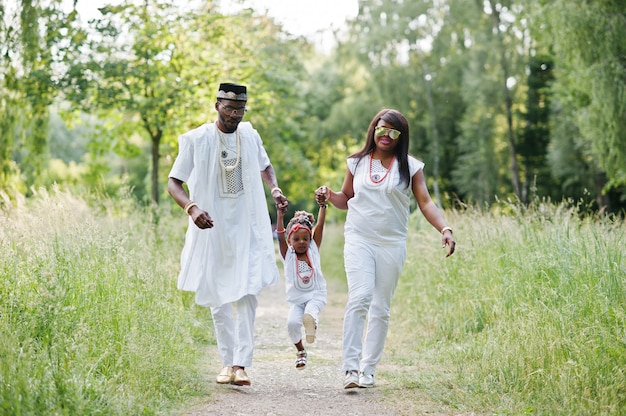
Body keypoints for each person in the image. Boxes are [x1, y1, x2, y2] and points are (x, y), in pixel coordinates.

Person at [315, 108, 456, 389]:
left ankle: (368, 369)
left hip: (392, 243)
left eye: (394, 131)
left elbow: (426, 202)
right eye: (382, 129)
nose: (386, 135)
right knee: (360, 297)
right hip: (359, 239)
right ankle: (351, 369)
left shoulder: (411, 166)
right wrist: (329, 195)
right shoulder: (356, 163)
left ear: (401, 137)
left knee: (381, 308)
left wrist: (444, 228)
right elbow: (346, 198)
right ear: (373, 129)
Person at [168, 82, 288, 387]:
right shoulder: (196, 139)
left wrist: (274, 188)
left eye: (240, 109)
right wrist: (192, 209)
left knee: (248, 292)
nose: (234, 115)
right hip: (212, 227)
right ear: (216, 106)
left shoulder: (250, 135)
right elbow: (174, 183)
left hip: (248, 225)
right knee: (217, 294)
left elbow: (266, 166)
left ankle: (241, 364)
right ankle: (226, 362)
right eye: (229, 108)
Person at [276, 200, 328, 370]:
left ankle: (311, 324)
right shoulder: (288, 255)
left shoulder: (313, 249)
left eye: (306, 239)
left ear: (310, 239)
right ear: (290, 241)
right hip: (297, 300)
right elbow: (280, 233)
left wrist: (322, 207)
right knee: (291, 324)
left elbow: (320, 225)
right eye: (296, 239)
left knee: (310, 313)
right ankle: (301, 351)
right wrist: (280, 215)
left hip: (316, 295)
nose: (302, 242)